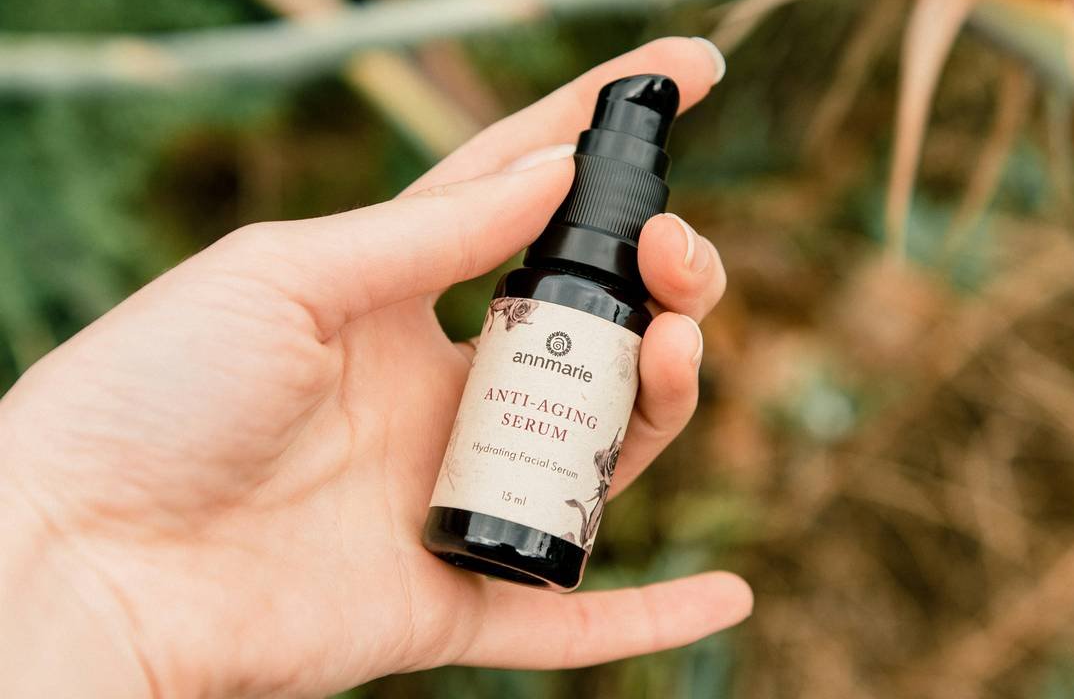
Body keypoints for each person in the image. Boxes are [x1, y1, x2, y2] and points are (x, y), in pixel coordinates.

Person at [0, 37, 752, 697]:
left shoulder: (618, 318)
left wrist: (75, 558)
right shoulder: (535, 288)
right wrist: (60, 519)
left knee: (661, 359)